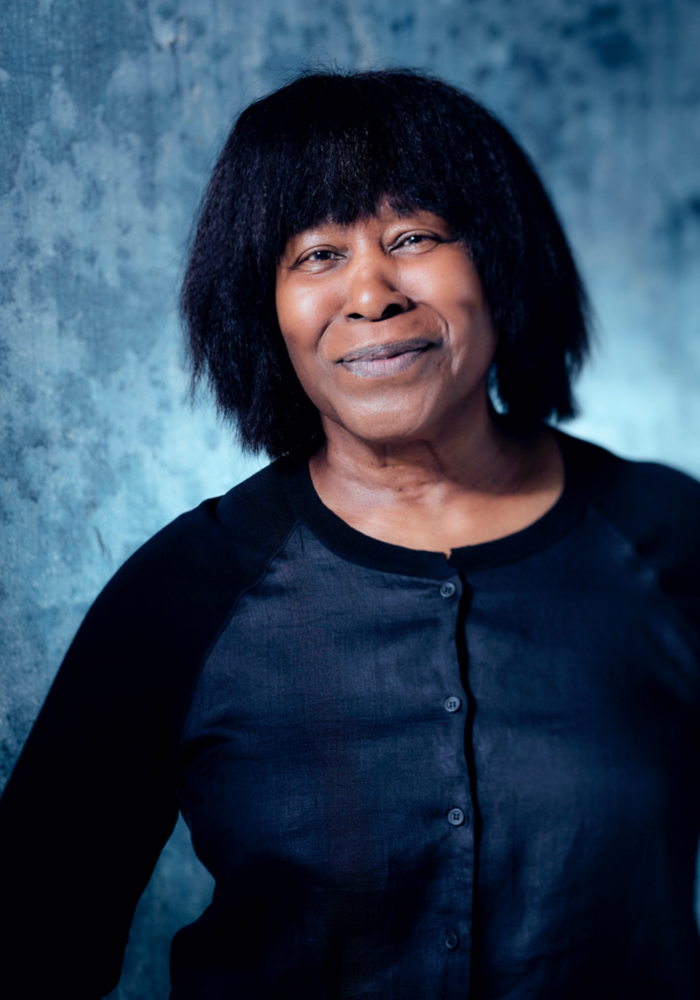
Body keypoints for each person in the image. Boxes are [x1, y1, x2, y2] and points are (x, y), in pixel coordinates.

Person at [1, 68, 699, 1000]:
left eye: (413, 237)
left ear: (501, 259)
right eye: (317, 255)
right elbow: (27, 945)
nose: (371, 294)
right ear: (263, 307)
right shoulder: (186, 592)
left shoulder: (668, 539)